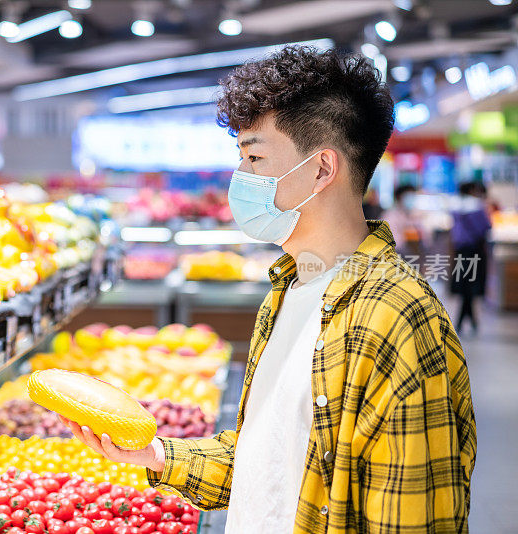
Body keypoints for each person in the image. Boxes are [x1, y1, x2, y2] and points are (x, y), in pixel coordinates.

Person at [59, 46, 475, 533]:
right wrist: (154, 454)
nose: (241, 178)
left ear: (322, 169)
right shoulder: (288, 288)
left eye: (254, 157)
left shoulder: (397, 319)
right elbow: (267, 457)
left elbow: (413, 521)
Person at [450, 181, 491, 334]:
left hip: (460, 250)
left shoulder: (455, 206)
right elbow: (486, 227)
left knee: (464, 285)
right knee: (470, 286)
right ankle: (466, 322)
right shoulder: (477, 206)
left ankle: (467, 321)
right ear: (473, 190)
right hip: (474, 250)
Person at [382, 184, 423, 259]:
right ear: (399, 198)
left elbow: (424, 239)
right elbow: (395, 244)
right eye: (408, 197)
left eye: (413, 196)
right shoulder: (390, 216)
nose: (411, 200)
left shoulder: (412, 215)